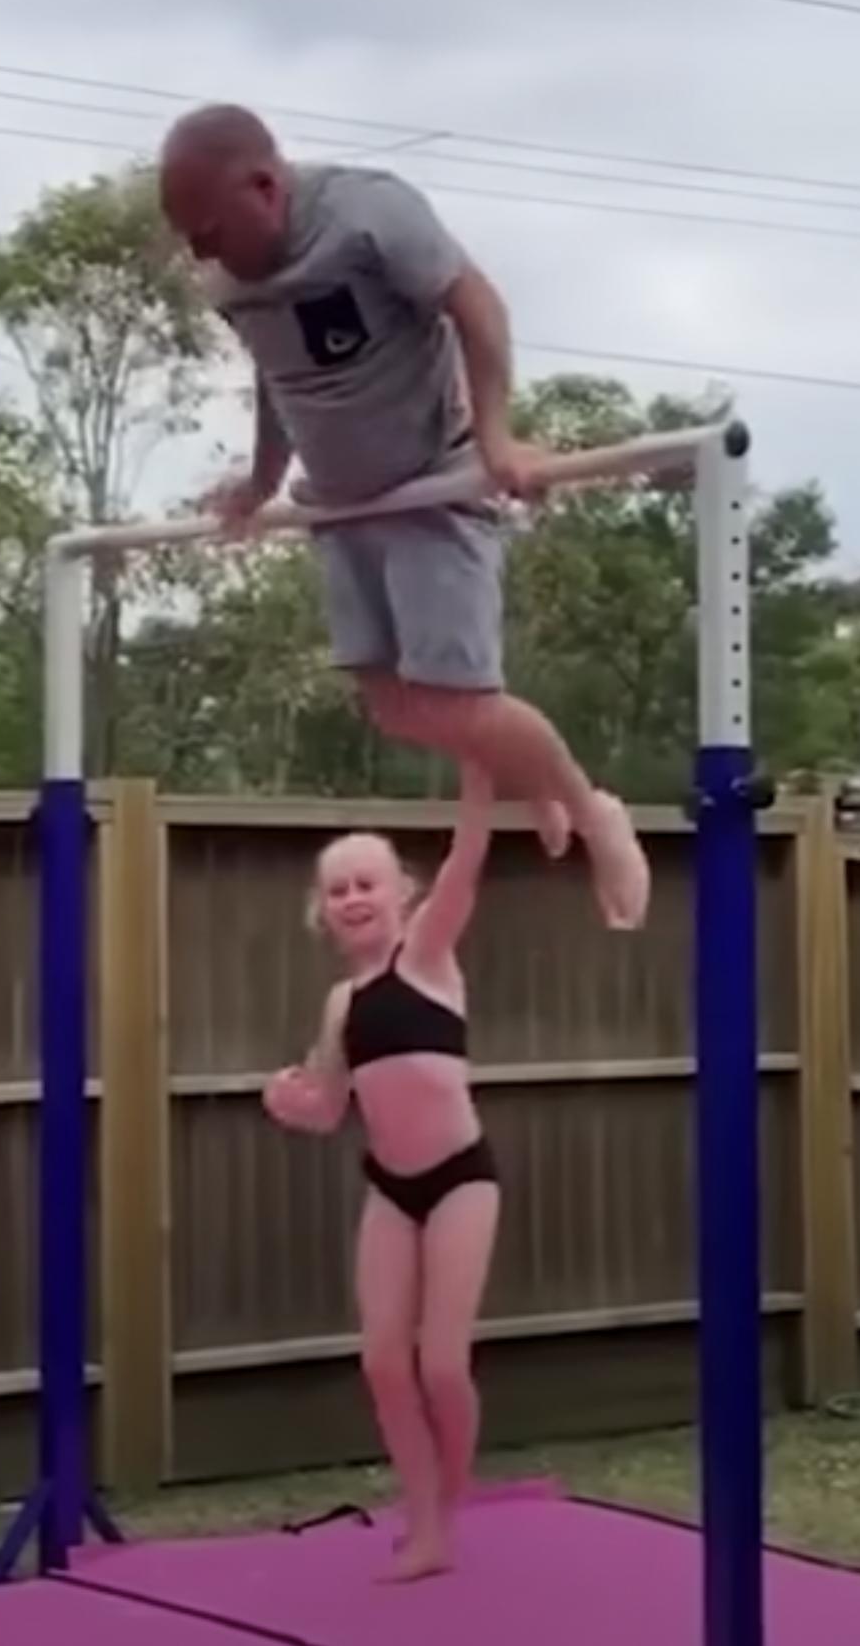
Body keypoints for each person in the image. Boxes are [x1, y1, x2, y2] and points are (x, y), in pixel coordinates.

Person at [157, 103, 649, 930]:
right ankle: (542, 781)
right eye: (189, 239)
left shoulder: (370, 214)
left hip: (430, 483)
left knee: (459, 701)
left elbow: (480, 308)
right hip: (340, 502)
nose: (202, 254)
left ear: (266, 187)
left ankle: (592, 808)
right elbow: (280, 381)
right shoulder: (226, 283)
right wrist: (260, 482)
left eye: (208, 230)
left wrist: (496, 438)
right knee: (392, 706)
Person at [261, 764, 502, 1581]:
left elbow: (469, 858)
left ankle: (452, 1493)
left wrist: (479, 765)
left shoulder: (428, 954)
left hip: (462, 1178)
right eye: (337, 891)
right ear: (323, 913)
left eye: (366, 883)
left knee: (442, 1363)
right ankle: (427, 1524)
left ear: (401, 892)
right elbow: (330, 1106)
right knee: (382, 1363)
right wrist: (289, 1101)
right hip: (393, 1188)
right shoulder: (341, 1004)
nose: (353, 898)